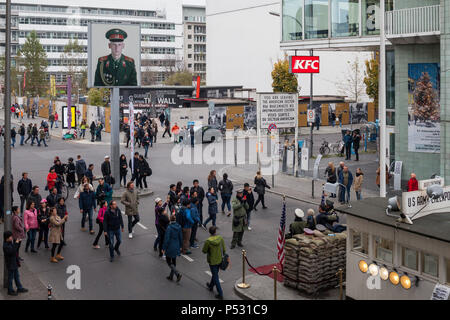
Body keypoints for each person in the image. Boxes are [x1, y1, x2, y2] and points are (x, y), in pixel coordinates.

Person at [202, 226, 226, 300]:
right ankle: (211, 286)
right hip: (219, 259)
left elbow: (204, 251)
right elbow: (224, 249)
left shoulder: (208, 241)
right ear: (215, 232)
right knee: (215, 274)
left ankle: (220, 293)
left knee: (215, 276)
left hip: (212, 261)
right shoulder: (220, 238)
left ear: (210, 232)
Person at [3, 231, 28, 295]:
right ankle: (10, 290)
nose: (12, 237)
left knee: (17, 276)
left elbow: (15, 249)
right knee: (10, 278)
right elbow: (12, 252)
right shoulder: (5, 245)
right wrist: (16, 243)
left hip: (14, 262)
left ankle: (19, 288)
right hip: (10, 264)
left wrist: (17, 242)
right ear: (7, 238)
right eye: (11, 237)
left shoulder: (9, 242)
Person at [162, 214, 183, 282]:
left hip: (170, 246)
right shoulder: (179, 227)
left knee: (168, 261)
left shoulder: (169, 228)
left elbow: (167, 239)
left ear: (170, 220)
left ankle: (177, 274)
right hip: (176, 245)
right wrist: (181, 246)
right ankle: (171, 276)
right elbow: (181, 237)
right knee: (174, 261)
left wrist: (163, 248)